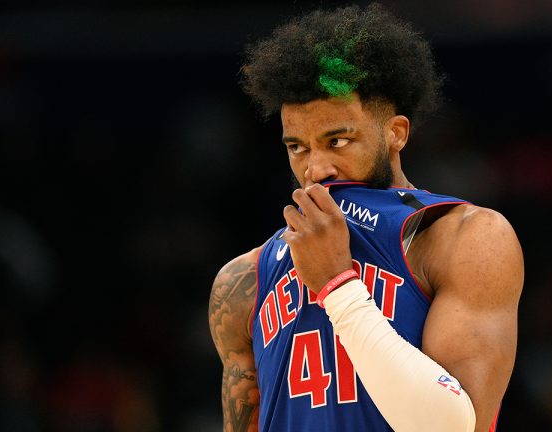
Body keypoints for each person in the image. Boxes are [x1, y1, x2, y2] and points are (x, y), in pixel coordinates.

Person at [208, 3, 524, 431]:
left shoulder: (463, 236)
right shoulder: (242, 280)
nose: (316, 169)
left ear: (396, 133)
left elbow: (452, 426)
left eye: (337, 141)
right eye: (298, 147)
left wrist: (337, 287)